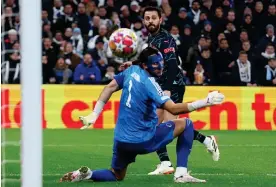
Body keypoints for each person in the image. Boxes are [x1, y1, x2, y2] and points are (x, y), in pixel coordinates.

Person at [60, 47, 225, 183]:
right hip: (143, 140)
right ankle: (181, 173)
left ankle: (87, 174)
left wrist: (95, 114)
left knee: (117, 175)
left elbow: (109, 87)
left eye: (161, 63)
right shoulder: (150, 83)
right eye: (156, 65)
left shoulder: (130, 71)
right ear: (146, 66)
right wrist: (205, 101)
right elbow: (173, 109)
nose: (160, 67)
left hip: (121, 140)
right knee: (186, 125)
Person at [142, 6, 220, 175]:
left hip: (173, 84)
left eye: (153, 18)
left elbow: (171, 65)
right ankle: (169, 161)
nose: (150, 21)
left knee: (169, 128)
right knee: (154, 127)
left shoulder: (165, 39)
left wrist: (168, 89)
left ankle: (204, 142)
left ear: (160, 19)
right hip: (160, 86)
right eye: (147, 18)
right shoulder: (152, 39)